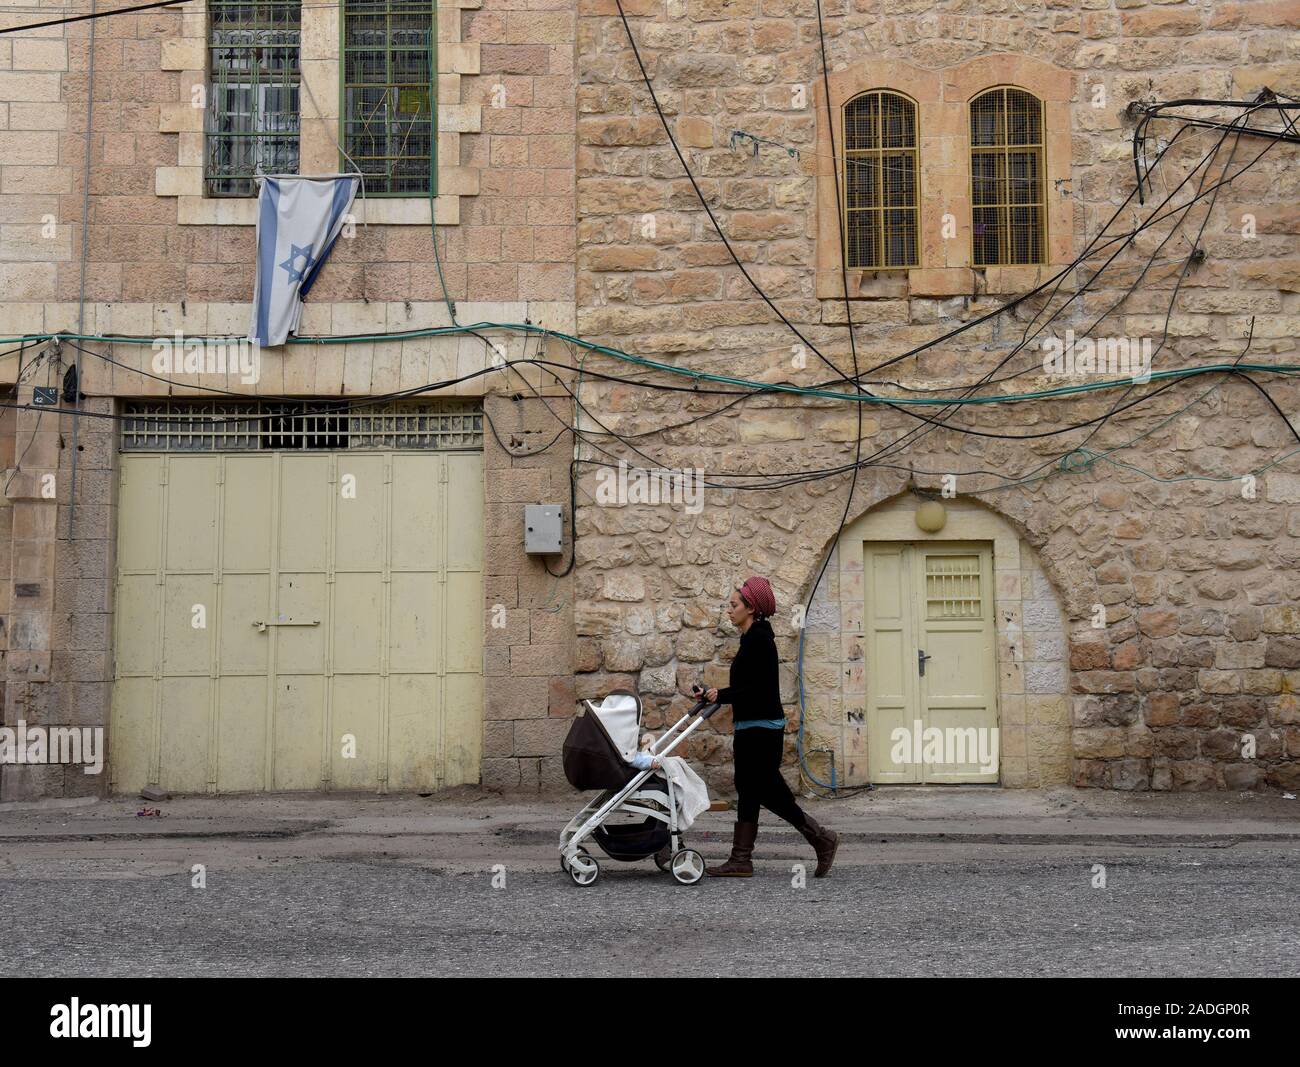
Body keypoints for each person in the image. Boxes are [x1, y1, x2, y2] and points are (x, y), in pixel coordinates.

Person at [694, 576, 839, 878]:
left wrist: (719, 694)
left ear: (751, 608)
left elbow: (752, 690)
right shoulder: (751, 639)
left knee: (770, 794)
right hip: (753, 727)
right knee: (749, 790)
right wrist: (718, 695)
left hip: (761, 731)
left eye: (734, 605)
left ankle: (821, 838)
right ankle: (741, 859)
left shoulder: (759, 640)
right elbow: (747, 687)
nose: (728, 610)